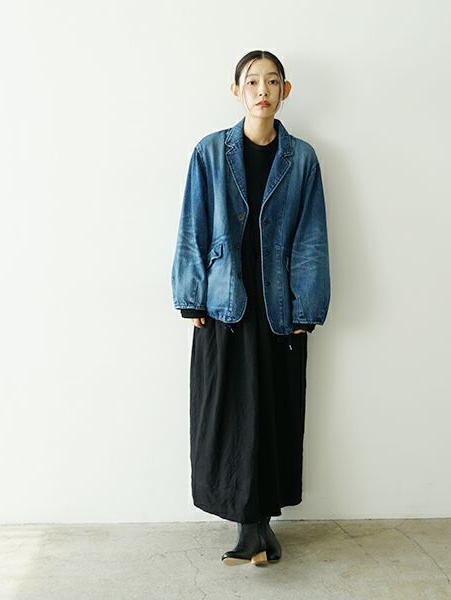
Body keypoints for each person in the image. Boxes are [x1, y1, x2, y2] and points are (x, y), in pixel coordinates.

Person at [171, 50, 331, 566]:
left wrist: (307, 305)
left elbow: (311, 236)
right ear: (236, 90)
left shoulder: (301, 158)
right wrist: (190, 296)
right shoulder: (210, 152)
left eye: (272, 81)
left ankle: (258, 531)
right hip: (225, 304)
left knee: (274, 413)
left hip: (280, 308)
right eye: (253, 81)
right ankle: (252, 530)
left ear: (286, 90)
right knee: (228, 415)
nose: (263, 90)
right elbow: (193, 224)